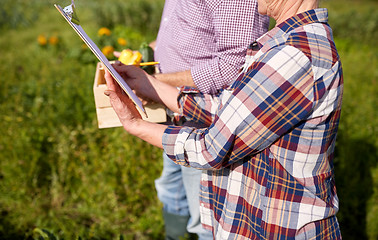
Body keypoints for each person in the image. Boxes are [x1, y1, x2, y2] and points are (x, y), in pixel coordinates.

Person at [105, 0, 343, 238]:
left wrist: (136, 125)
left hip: (281, 227)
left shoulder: (293, 55)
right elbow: (231, 108)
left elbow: (211, 148)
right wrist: (154, 87)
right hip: (264, 220)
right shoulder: (286, 43)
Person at [131, 1, 269, 239]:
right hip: (176, 112)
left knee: (206, 217)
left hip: (208, 121)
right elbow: (190, 30)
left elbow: (235, 67)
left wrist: (155, 83)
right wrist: (146, 53)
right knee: (171, 187)